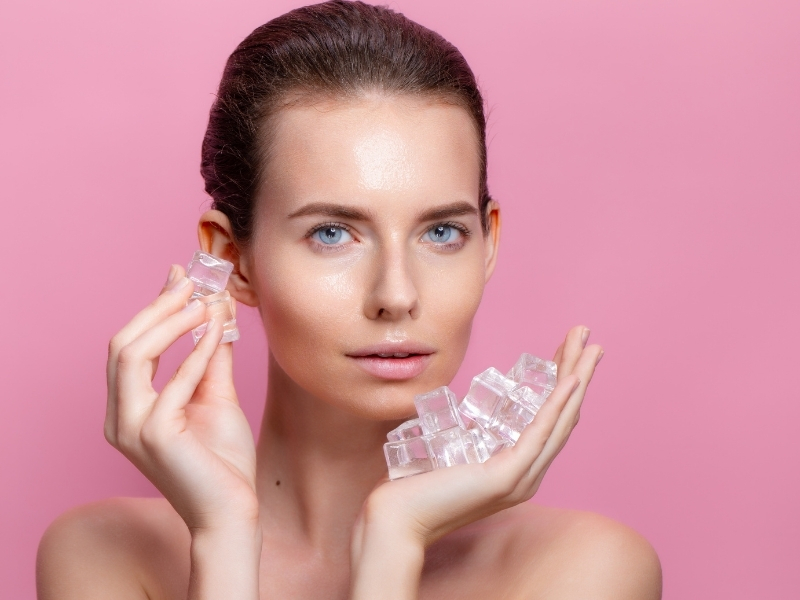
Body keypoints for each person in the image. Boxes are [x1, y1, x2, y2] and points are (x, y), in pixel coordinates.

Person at [36, 2, 662, 598]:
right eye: (332, 233)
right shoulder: (105, 554)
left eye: (442, 232)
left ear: (489, 242)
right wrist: (225, 537)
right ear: (231, 260)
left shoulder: (583, 571)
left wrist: (395, 535)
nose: (397, 295)